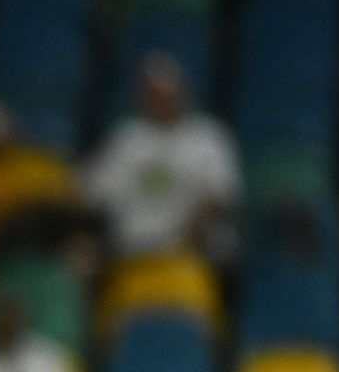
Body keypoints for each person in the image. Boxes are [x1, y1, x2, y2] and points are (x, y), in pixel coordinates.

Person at [84, 53, 240, 260]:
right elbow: (90, 194)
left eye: (170, 94)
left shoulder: (208, 137)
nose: (163, 101)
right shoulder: (125, 139)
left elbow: (219, 198)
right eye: (154, 94)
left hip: (189, 254)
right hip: (129, 254)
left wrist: (182, 243)